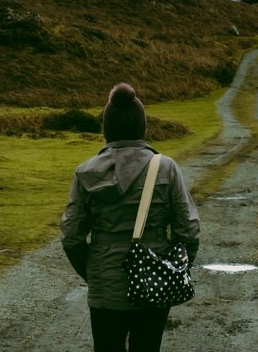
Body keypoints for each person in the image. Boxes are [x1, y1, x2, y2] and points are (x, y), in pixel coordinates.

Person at [61, 82, 201, 352]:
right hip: (154, 285)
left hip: (104, 287)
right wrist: (172, 268)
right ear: (142, 126)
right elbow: (189, 231)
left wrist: (94, 272)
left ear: (107, 127)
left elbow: (71, 237)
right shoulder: (166, 168)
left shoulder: (85, 172)